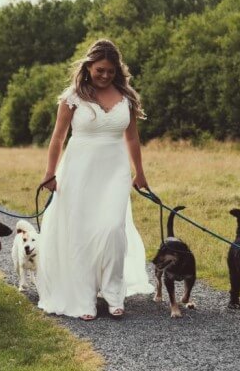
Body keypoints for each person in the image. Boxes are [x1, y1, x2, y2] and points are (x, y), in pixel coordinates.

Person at [37, 39, 154, 321]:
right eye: (100, 70)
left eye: (110, 71)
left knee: (113, 229)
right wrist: (50, 172)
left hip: (114, 171)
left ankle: (114, 293)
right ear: (88, 67)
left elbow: (132, 137)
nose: (105, 76)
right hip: (79, 170)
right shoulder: (72, 98)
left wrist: (139, 172)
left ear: (118, 71)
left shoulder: (126, 98)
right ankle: (84, 295)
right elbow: (58, 137)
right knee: (81, 232)